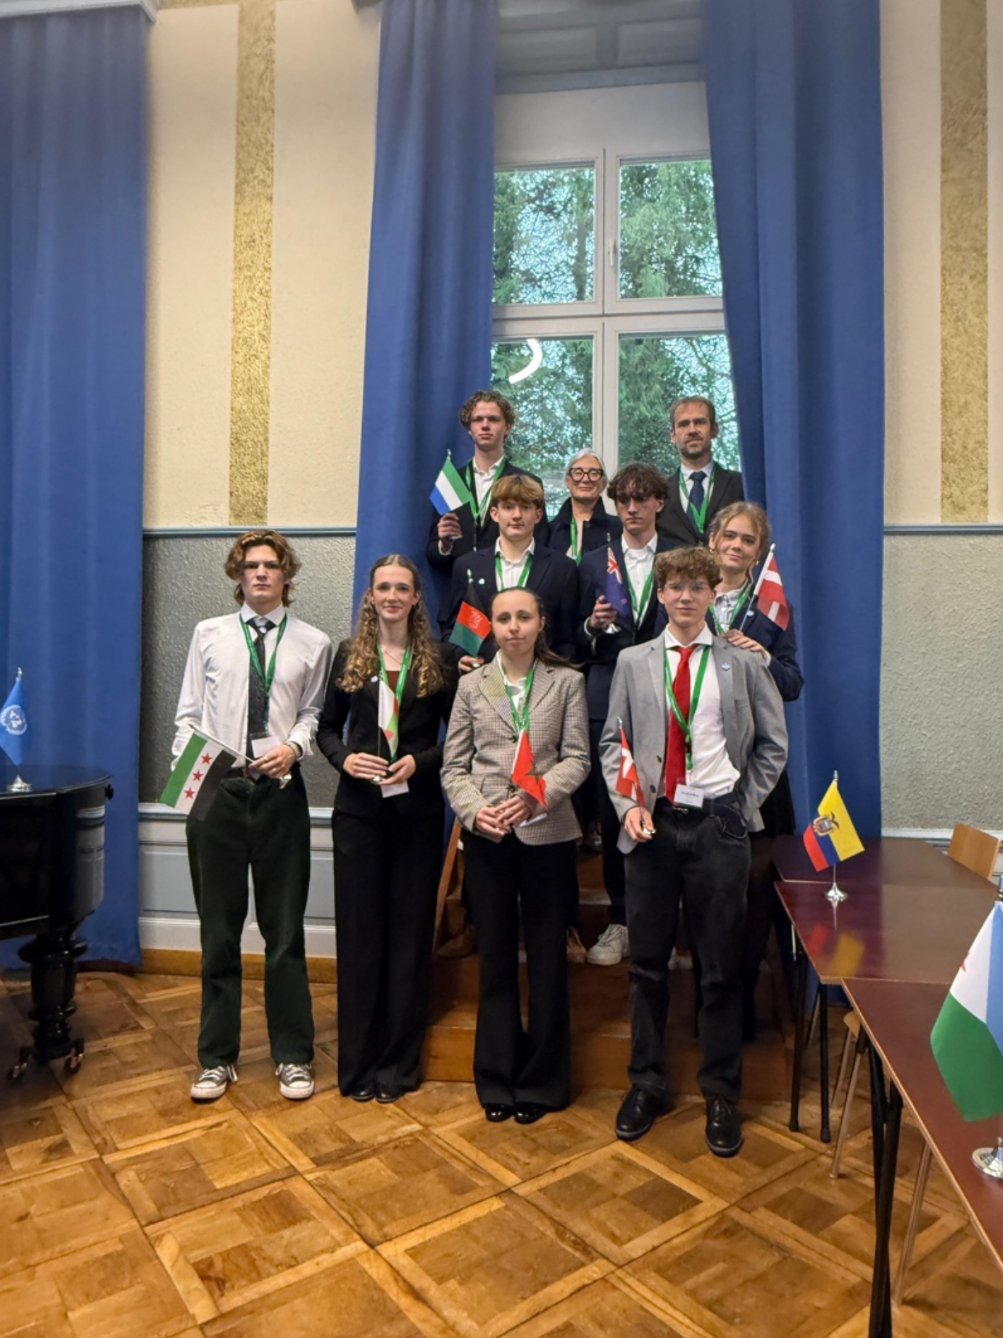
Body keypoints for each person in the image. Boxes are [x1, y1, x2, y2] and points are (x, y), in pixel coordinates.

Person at [601, 546, 787, 1154]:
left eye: (697, 587)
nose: (685, 597)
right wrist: (627, 803)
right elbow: (614, 743)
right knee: (647, 966)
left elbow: (773, 746)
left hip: (718, 829)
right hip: (651, 827)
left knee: (720, 968)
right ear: (660, 595)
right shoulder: (633, 661)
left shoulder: (742, 663)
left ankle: (721, 1092)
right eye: (675, 587)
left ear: (712, 595)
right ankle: (646, 1083)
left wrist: (741, 805)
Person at [174, 529, 332, 1103]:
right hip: (217, 793)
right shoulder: (209, 634)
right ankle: (216, 1058)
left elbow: (313, 713)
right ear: (237, 576)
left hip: (280, 795)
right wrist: (190, 784)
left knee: (284, 933)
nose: (260, 573)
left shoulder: (313, 641)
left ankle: (293, 1055)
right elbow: (188, 715)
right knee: (218, 933)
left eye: (270, 565)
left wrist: (293, 746)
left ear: (286, 574)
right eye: (250, 566)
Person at [441, 587, 590, 1124]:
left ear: (541, 622)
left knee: (547, 961)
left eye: (523, 616)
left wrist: (536, 796)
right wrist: (473, 811)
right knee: (497, 959)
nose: (513, 627)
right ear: (492, 626)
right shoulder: (470, 685)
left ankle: (544, 1082)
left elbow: (578, 758)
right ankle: (497, 1077)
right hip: (490, 839)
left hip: (548, 835)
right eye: (503, 618)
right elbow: (454, 766)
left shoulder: (567, 682)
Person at [316, 555, 456, 1103]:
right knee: (359, 940)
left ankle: (399, 1066)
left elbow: (457, 737)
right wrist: (345, 759)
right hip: (358, 816)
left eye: (403, 588)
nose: (393, 595)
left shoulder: (440, 659)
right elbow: (326, 729)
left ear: (417, 597)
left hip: (416, 815)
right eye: (384, 587)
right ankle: (358, 1066)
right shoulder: (349, 654)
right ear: (370, 596)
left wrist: (420, 761)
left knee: (408, 940)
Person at [707, 502, 802, 1037]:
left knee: (754, 892)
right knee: (705, 893)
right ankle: (709, 1003)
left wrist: (762, 655)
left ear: (759, 551)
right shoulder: (688, 595)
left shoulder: (771, 610)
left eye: (748, 540)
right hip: (697, 771)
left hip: (757, 778)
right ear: (713, 540)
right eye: (730, 536)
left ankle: (743, 1005)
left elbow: (793, 683)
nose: (737, 546)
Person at [575, 463, 675, 966]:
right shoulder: (594, 562)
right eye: (623, 500)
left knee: (664, 810)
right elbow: (571, 639)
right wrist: (592, 628)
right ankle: (620, 920)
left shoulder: (680, 558)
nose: (632, 508)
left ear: (660, 503)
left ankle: (661, 926)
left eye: (641, 499)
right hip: (606, 695)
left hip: (666, 697)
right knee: (617, 808)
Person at [441, 473, 579, 667]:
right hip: (483, 673)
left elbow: (568, 638)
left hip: (542, 675)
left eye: (525, 507)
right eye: (508, 507)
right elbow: (452, 629)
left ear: (538, 515)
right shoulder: (467, 566)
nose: (516, 515)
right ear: (494, 514)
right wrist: (458, 656)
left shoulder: (562, 568)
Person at [426, 390, 547, 579]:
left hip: (512, 584)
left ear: (507, 427)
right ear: (469, 429)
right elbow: (433, 554)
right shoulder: (451, 482)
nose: (485, 425)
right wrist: (444, 545)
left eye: (493, 419)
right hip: (464, 588)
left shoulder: (528, 483)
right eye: (477, 420)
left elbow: (541, 544)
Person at [656, 397, 744, 547]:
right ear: (673, 435)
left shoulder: (740, 485)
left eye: (699, 422)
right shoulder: (659, 492)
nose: (692, 430)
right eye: (684, 424)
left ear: (714, 429)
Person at [546, 450, 622, 564]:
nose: (585, 479)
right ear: (567, 481)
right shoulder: (548, 531)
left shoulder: (618, 529)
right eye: (578, 472)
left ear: (603, 483)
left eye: (594, 473)